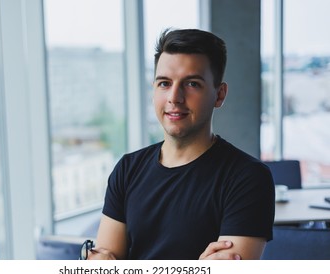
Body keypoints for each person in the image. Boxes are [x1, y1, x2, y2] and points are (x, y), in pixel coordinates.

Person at [87, 28, 275, 260]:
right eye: (164, 83)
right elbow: (103, 262)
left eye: (192, 84)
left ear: (219, 95)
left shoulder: (248, 178)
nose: (174, 97)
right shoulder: (127, 169)